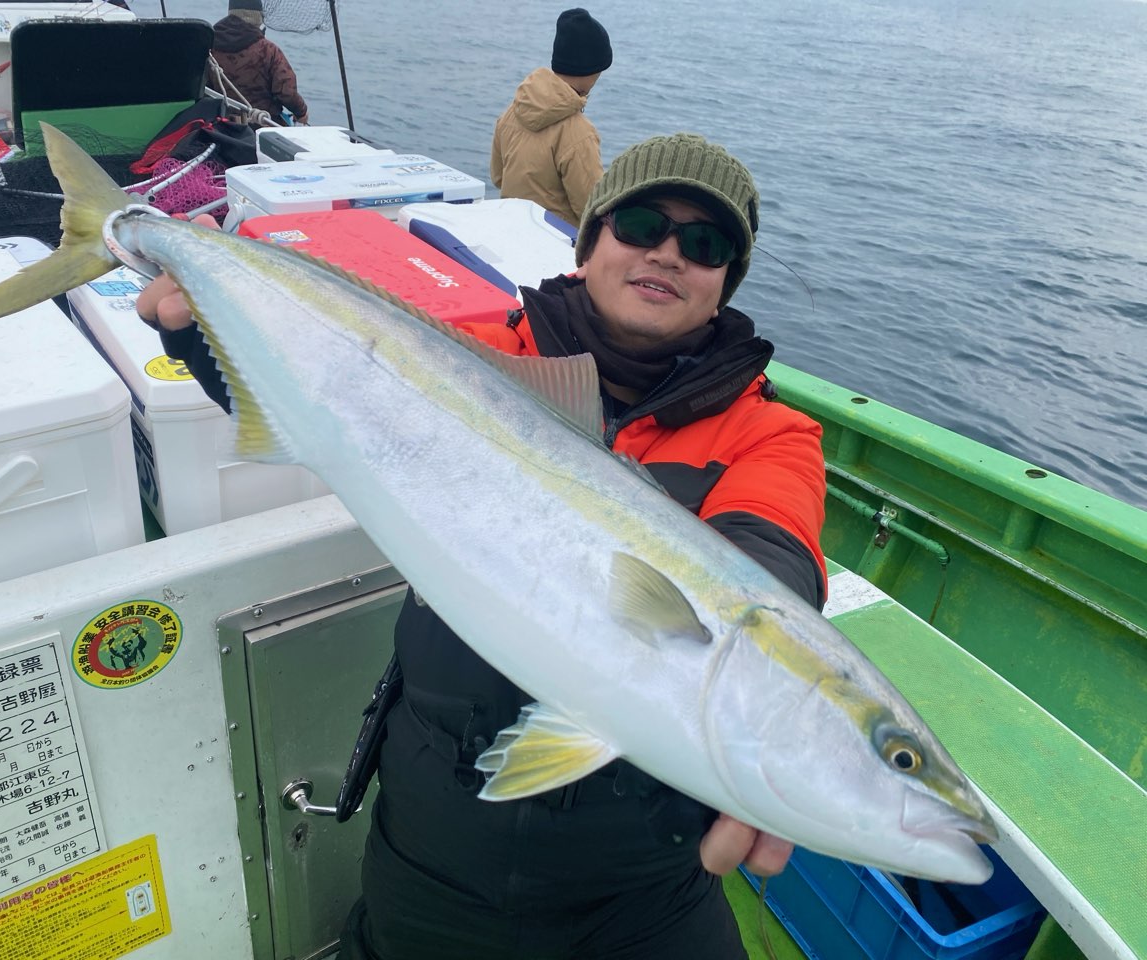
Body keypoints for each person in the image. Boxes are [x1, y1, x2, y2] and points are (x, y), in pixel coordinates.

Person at [136, 132, 827, 959]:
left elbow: (770, 568)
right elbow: (333, 408)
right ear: (591, 242)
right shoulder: (479, 359)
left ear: (724, 285)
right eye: (643, 225)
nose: (669, 254)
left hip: (644, 869)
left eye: (706, 244)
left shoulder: (770, 433)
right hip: (435, 824)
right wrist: (200, 332)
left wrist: (768, 715)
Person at [490, 8, 613, 228]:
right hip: (557, 240)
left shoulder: (512, 112)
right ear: (592, 70)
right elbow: (592, 208)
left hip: (510, 229)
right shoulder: (579, 132)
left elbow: (498, 177)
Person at [210, 0, 309, 125]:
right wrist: (301, 112)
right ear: (257, 18)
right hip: (263, 122)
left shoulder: (209, 47)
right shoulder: (268, 50)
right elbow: (287, 93)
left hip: (222, 123)